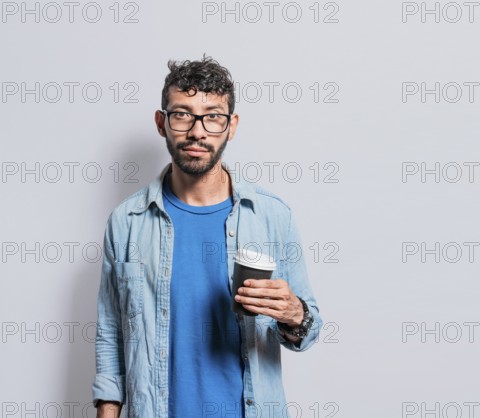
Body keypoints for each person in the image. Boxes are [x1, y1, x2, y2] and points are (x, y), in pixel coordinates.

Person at [92, 56, 322, 418]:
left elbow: (308, 330)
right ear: (161, 123)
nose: (197, 131)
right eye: (182, 114)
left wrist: (294, 314)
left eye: (212, 116)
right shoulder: (127, 221)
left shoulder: (272, 215)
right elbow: (111, 334)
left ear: (231, 126)